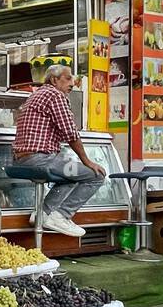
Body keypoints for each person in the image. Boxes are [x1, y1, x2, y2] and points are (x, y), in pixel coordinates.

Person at [13, 64, 107, 237]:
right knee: (96, 175)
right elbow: (70, 133)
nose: (72, 82)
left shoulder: (37, 94)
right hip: (40, 160)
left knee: (70, 176)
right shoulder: (55, 95)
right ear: (54, 80)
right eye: (67, 78)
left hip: (23, 159)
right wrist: (87, 161)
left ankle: (43, 214)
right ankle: (61, 216)